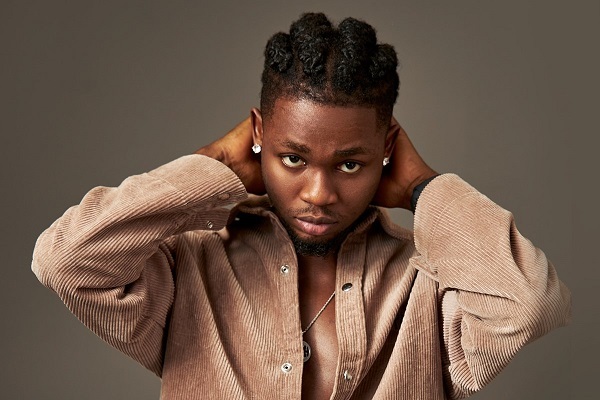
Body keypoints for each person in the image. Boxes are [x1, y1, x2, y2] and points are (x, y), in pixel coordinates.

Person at [32, 12, 570, 400]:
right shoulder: (191, 265)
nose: (318, 193)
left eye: (350, 165)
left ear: (387, 149)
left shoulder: (427, 282)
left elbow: (526, 307)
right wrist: (214, 165)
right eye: (293, 159)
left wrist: (422, 187)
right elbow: (66, 262)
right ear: (258, 134)